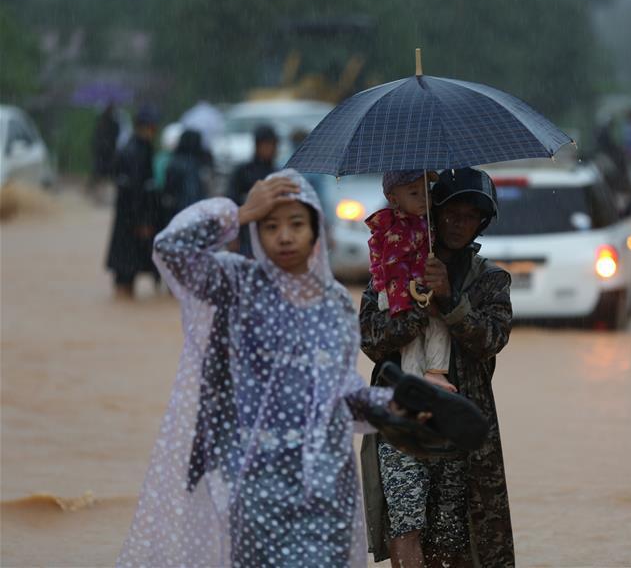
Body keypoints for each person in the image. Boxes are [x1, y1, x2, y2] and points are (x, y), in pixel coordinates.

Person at [118, 170, 403, 567]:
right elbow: (171, 250)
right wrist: (238, 213)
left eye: (296, 224)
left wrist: (396, 406)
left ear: (316, 230)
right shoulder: (237, 284)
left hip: (327, 490)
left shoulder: (335, 303)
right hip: (255, 488)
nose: (284, 236)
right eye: (270, 226)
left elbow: (342, 396)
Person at [360, 167, 515, 567]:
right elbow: (371, 340)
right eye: (450, 213)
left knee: (452, 534)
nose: (459, 224)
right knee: (405, 524)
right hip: (401, 415)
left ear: (482, 223)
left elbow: (489, 341)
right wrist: (413, 303)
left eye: (470, 217)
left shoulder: (490, 280)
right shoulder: (392, 261)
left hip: (459, 420)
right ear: (434, 212)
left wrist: (449, 299)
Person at [366, 170, 454, 393]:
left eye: (427, 191)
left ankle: (435, 372)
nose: (424, 198)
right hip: (400, 293)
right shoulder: (397, 230)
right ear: (393, 199)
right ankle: (413, 381)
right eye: (414, 193)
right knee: (411, 341)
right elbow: (393, 267)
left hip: (417, 291)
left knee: (438, 324)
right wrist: (404, 302)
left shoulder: (423, 223)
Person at [105, 104, 161, 299]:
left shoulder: (136, 147)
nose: (154, 132)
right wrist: (143, 221)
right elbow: (137, 190)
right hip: (132, 220)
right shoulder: (135, 151)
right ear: (142, 127)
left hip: (128, 218)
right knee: (126, 272)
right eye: (152, 127)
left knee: (127, 269)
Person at [226, 124, 279, 256]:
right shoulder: (243, 172)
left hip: (271, 231)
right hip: (246, 232)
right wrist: (232, 235)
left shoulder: (277, 173)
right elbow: (232, 203)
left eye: (271, 145)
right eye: (265, 145)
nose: (269, 149)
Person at [159, 129, 212, 227]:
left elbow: (168, 190)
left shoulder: (175, 162)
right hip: (194, 212)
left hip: (178, 214)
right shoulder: (196, 163)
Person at [88, 103, 120, 194]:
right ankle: (94, 189)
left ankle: (100, 190)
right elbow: (97, 136)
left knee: (106, 171)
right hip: (102, 151)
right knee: (99, 171)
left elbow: (114, 136)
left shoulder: (113, 123)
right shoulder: (102, 121)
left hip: (107, 152)